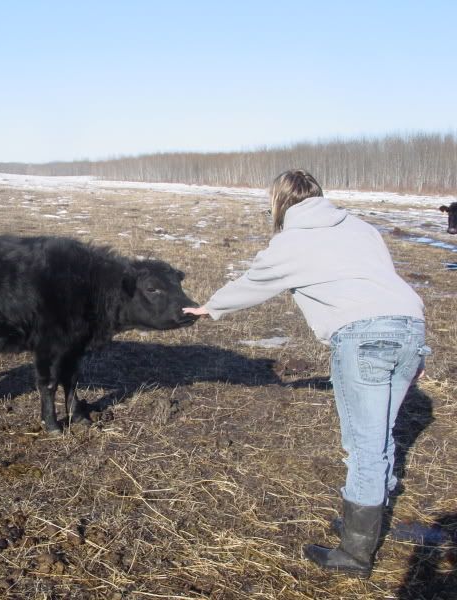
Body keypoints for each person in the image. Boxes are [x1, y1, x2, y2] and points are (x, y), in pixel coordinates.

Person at [184, 169, 430, 578]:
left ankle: (355, 554)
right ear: (319, 194)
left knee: (366, 446)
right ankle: (361, 524)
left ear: (279, 201)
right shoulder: (361, 227)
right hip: (409, 327)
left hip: (364, 336)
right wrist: (416, 351)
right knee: (377, 438)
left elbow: (255, 282)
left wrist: (212, 306)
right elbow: (387, 282)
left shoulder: (291, 240)